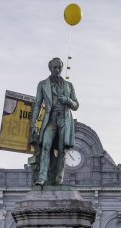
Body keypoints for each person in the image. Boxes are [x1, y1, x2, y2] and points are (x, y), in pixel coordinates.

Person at [28, 57, 79, 187]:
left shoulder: (69, 85)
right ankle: (42, 177)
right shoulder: (42, 84)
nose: (57, 70)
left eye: (59, 67)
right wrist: (33, 124)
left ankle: (58, 178)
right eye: (55, 67)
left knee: (62, 150)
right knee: (46, 145)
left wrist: (68, 100)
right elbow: (38, 105)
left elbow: (76, 105)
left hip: (64, 119)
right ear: (50, 68)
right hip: (50, 119)